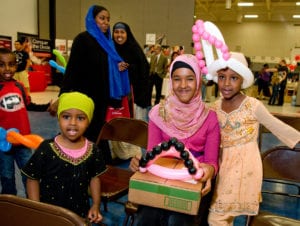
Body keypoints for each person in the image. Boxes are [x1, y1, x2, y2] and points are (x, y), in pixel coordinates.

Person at [206, 52, 300, 226]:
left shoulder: (252, 106)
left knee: (216, 217)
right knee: (225, 215)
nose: (226, 83)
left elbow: (276, 126)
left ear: (243, 80)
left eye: (233, 78)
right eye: (221, 77)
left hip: (244, 166)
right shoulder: (214, 107)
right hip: (222, 164)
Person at [130, 54, 221, 226]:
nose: (183, 85)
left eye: (190, 79)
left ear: (198, 81)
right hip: (161, 178)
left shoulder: (210, 118)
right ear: (170, 81)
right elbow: (152, 153)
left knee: (176, 221)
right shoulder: (159, 113)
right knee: (145, 220)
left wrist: (208, 171)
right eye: (177, 79)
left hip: (191, 183)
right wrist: (141, 164)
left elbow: (211, 162)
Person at [48, 5, 130, 164]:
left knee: (98, 133)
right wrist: (62, 95)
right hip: (84, 98)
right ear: (92, 19)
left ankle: (99, 167)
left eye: (108, 19)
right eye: (102, 18)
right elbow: (72, 70)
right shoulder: (83, 39)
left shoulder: (108, 43)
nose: (106, 22)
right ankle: (90, 166)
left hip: (101, 99)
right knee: (86, 133)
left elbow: (110, 69)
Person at [21, 92, 106, 224]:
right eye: (66, 117)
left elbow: (95, 178)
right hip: (49, 214)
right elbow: (32, 178)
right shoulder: (46, 148)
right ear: (58, 118)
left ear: (89, 121)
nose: (73, 123)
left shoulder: (93, 150)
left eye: (80, 118)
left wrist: (95, 205)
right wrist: (37, 209)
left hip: (79, 214)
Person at [0, 48, 50, 195]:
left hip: (23, 141)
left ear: (16, 66)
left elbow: (29, 105)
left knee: (29, 174)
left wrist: (46, 106)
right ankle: (10, 207)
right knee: (7, 177)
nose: (7, 69)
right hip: (4, 146)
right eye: (2, 65)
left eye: (11, 64)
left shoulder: (19, 86)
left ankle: (33, 206)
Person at [112, 21, 151, 121]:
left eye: (122, 32)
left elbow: (144, 70)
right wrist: (115, 67)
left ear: (127, 34)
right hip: (114, 97)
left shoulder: (134, 49)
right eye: (116, 32)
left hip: (135, 97)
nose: (119, 35)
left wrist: (128, 67)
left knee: (135, 127)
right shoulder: (110, 49)